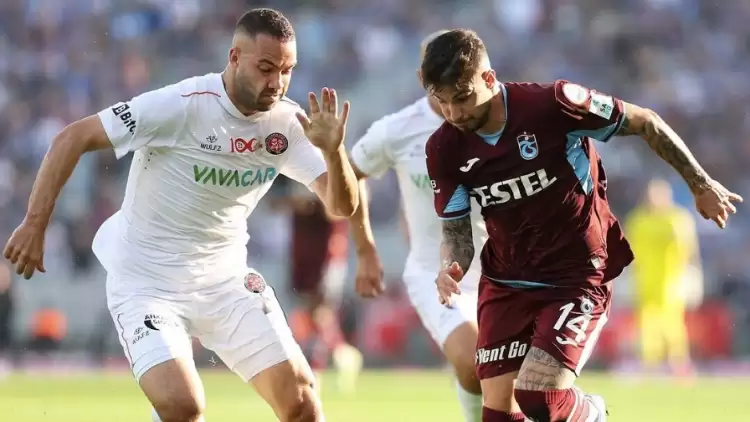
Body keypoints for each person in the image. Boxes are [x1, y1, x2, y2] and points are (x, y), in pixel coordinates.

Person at [3, 8, 359, 422]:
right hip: (147, 283)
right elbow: (73, 136)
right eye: (266, 68)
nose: (277, 82)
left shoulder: (289, 124)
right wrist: (35, 223)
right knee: (181, 406)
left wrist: (334, 152)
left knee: (302, 406)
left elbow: (341, 206)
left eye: (286, 70)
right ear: (234, 57)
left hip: (225, 280)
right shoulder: (180, 106)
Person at [422, 29, 742, 422]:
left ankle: (593, 415)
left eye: (462, 98)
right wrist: (451, 266)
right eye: (442, 102)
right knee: (497, 416)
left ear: (489, 78)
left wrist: (700, 184)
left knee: (539, 398)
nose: (454, 113)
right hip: (507, 281)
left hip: (576, 275)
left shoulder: (553, 104)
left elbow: (645, 121)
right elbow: (456, 234)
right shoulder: (443, 148)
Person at [348, 30, 487, 421]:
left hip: (505, 272)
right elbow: (349, 175)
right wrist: (365, 248)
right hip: (435, 273)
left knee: (521, 383)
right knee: (475, 362)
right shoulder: (398, 129)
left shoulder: (497, 120)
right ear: (421, 76)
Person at [625, 178, 701, 376]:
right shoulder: (638, 220)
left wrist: (692, 275)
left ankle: (678, 362)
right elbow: (629, 249)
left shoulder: (677, 219)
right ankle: (649, 363)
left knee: (671, 322)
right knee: (646, 323)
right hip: (644, 279)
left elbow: (688, 250)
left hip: (671, 279)